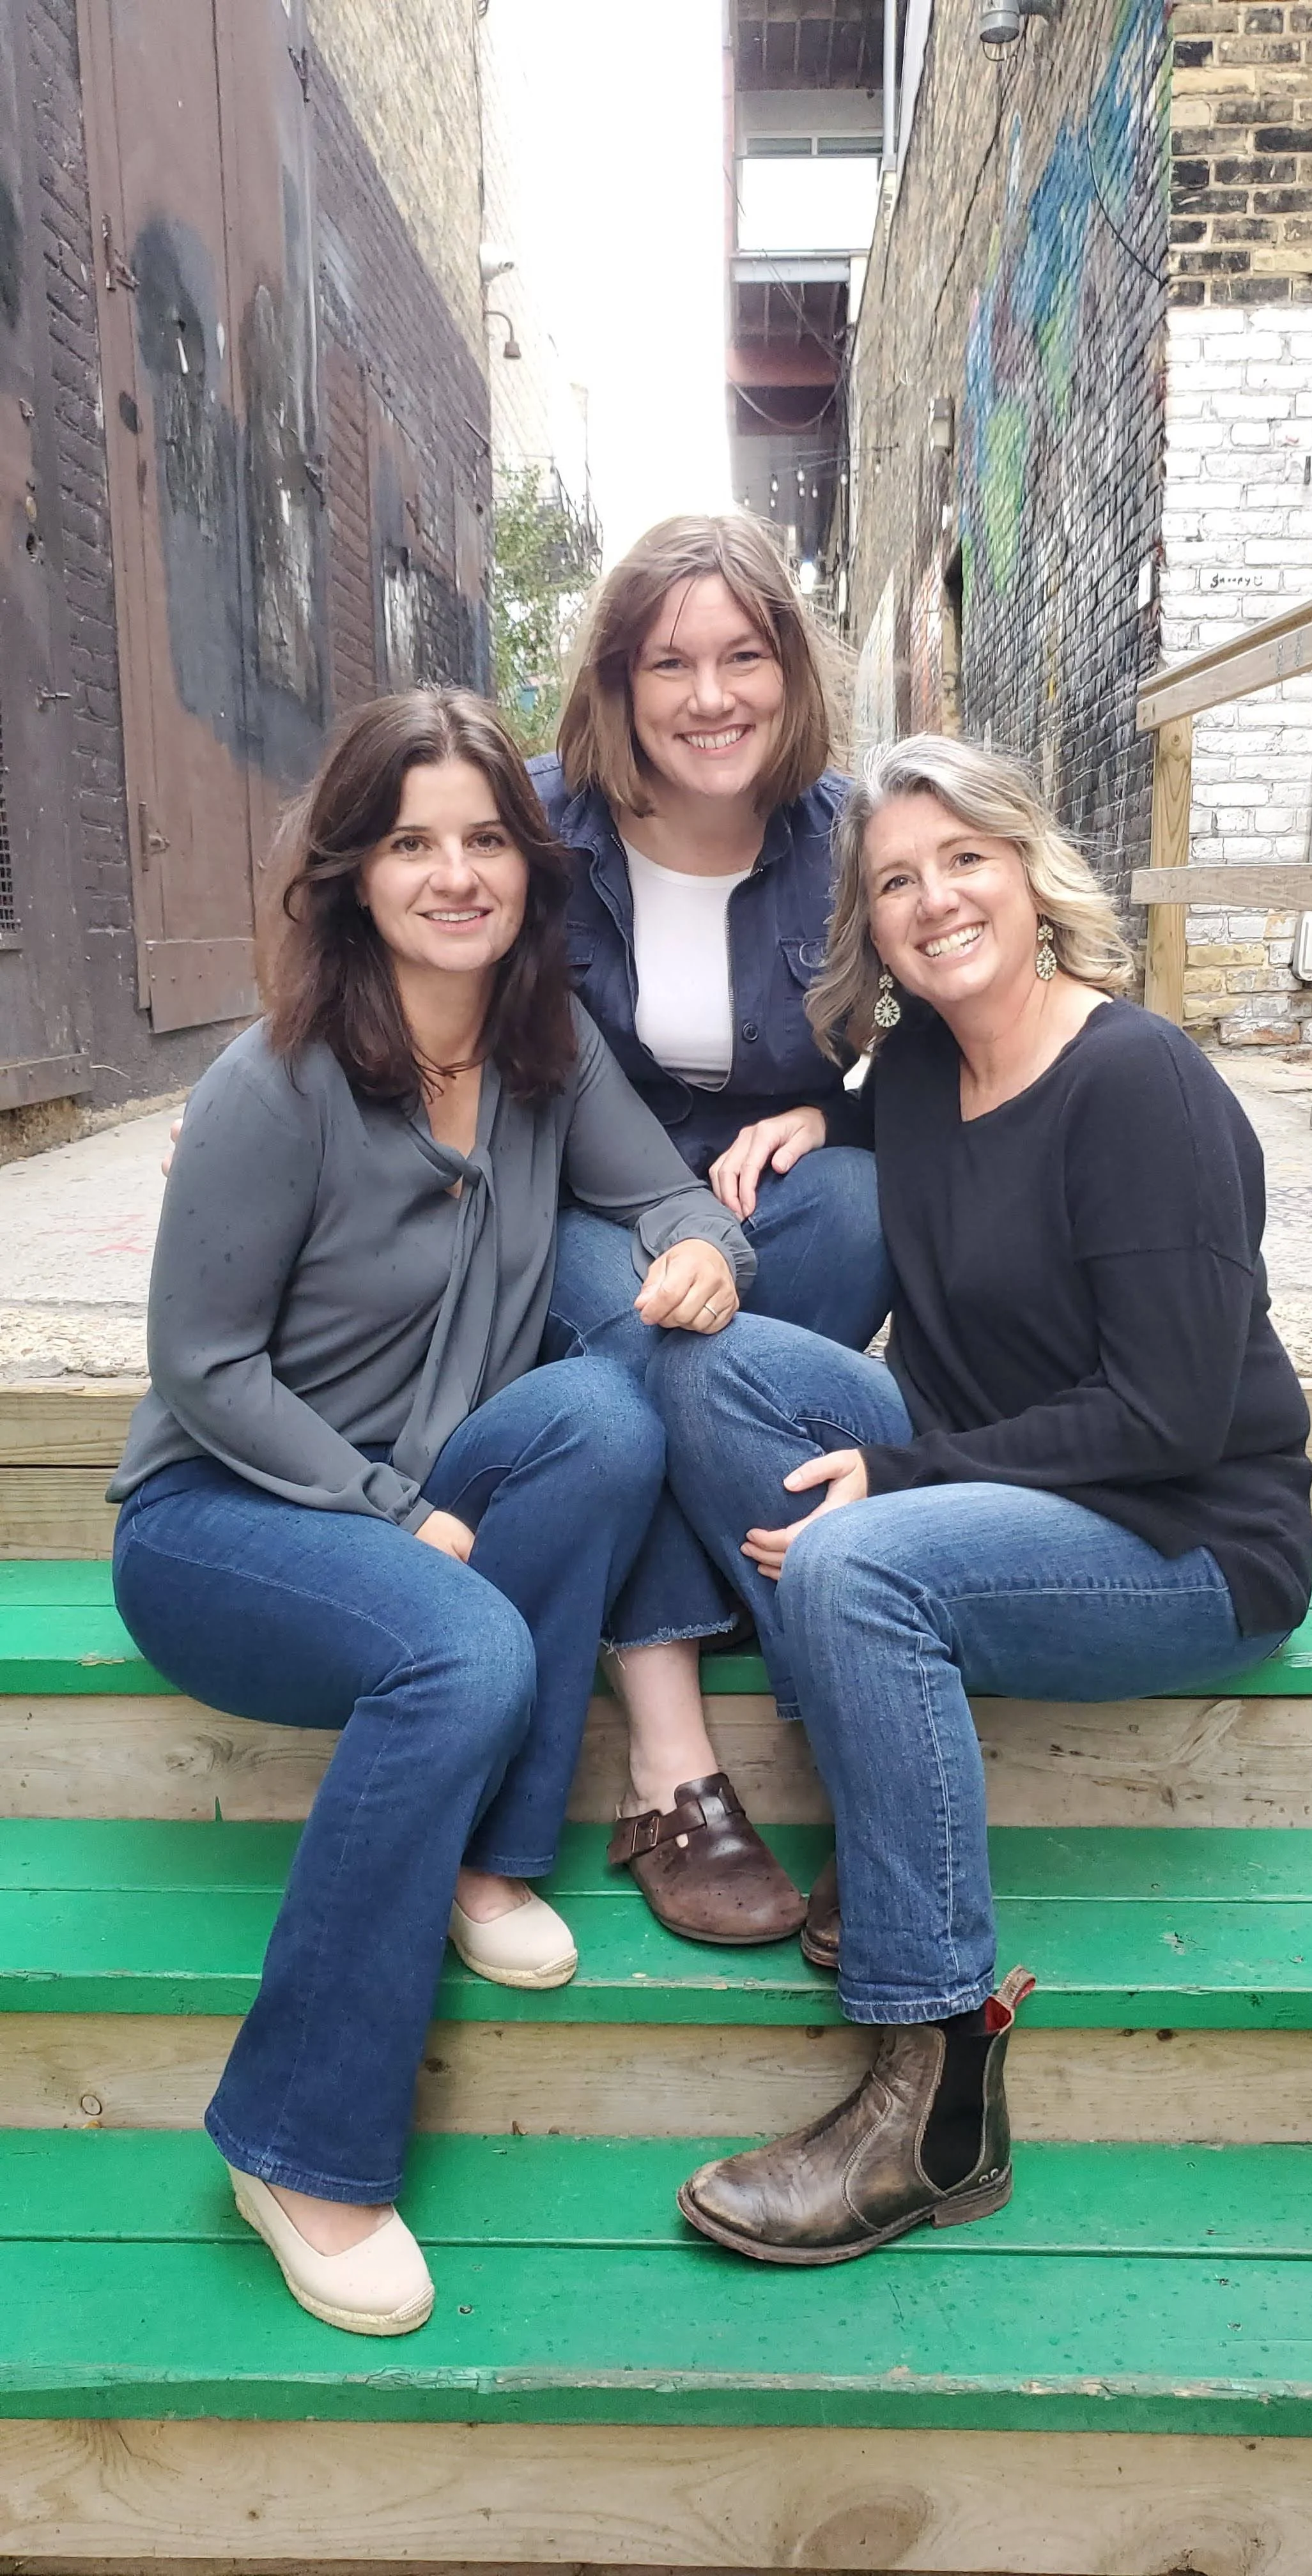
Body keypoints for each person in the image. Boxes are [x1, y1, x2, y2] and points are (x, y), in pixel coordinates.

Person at [109, 691, 753, 2336]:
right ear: (351, 873)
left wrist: (704, 1252)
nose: (456, 874)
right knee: (460, 1651)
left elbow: (666, 1193)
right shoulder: (279, 1085)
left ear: (529, 871)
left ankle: (485, 1857)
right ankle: (295, 2146)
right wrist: (390, 1507)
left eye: (485, 840)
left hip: (415, 1502)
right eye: (412, 843)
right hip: (225, 1519)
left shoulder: (541, 1055)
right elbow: (201, 1366)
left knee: (606, 1420)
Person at [647, 735, 1312, 2265]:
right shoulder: (930, 1068)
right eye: (897, 881)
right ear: (871, 931)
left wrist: (902, 1475)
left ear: (1031, 874)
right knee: (709, 1373)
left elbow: (1173, 1412)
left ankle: (939, 2099)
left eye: (966, 861)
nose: (936, 900)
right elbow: (929, 1146)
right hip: (1002, 1490)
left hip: (1188, 1535)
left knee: (860, 1568)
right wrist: (829, 1119)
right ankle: (887, 1802)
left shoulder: (1139, 1080)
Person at [530, 513, 893, 1948]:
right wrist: (275, 1096)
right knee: (653, 1333)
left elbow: (944, 1039)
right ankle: (673, 1749)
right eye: (668, 663)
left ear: (792, 669)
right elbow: (396, 939)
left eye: (745, 654)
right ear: (618, 685)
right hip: (577, 1188)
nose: (710, 696)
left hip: (760, 1191)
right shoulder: (541, 824)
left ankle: (734, 1540)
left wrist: (839, 1121)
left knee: (862, 1214)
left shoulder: (853, 834)